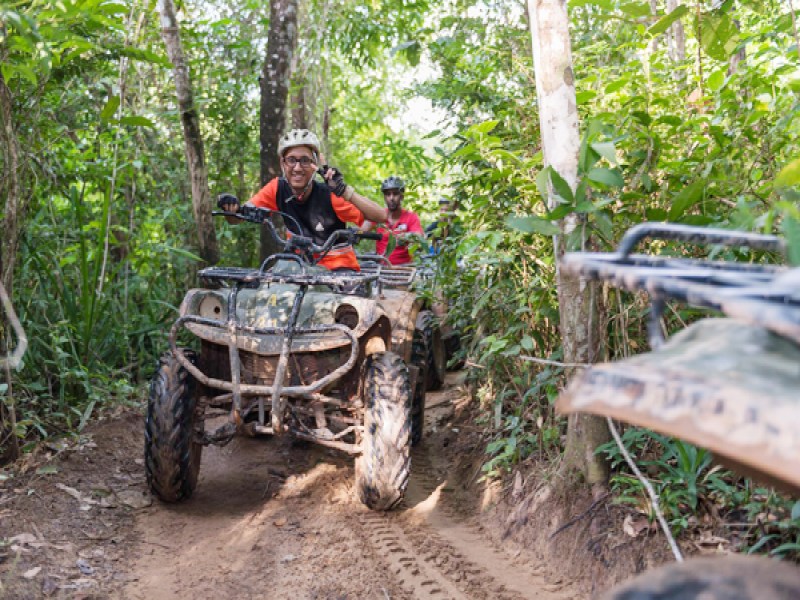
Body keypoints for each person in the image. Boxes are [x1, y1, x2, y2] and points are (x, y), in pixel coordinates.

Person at [217, 129, 387, 271]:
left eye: (305, 161)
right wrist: (232, 209)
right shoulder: (277, 189)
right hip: (299, 267)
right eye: (291, 160)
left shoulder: (330, 195)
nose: (297, 168)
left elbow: (380, 216)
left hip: (338, 268)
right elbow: (238, 217)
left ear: (315, 165)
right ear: (283, 163)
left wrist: (344, 191)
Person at [365, 176, 424, 266]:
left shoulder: (411, 217)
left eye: (395, 194)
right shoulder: (379, 215)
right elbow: (360, 231)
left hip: (404, 268)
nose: (391, 198)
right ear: (384, 197)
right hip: (380, 267)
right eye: (388, 194)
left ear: (402, 196)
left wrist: (406, 236)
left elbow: (419, 238)